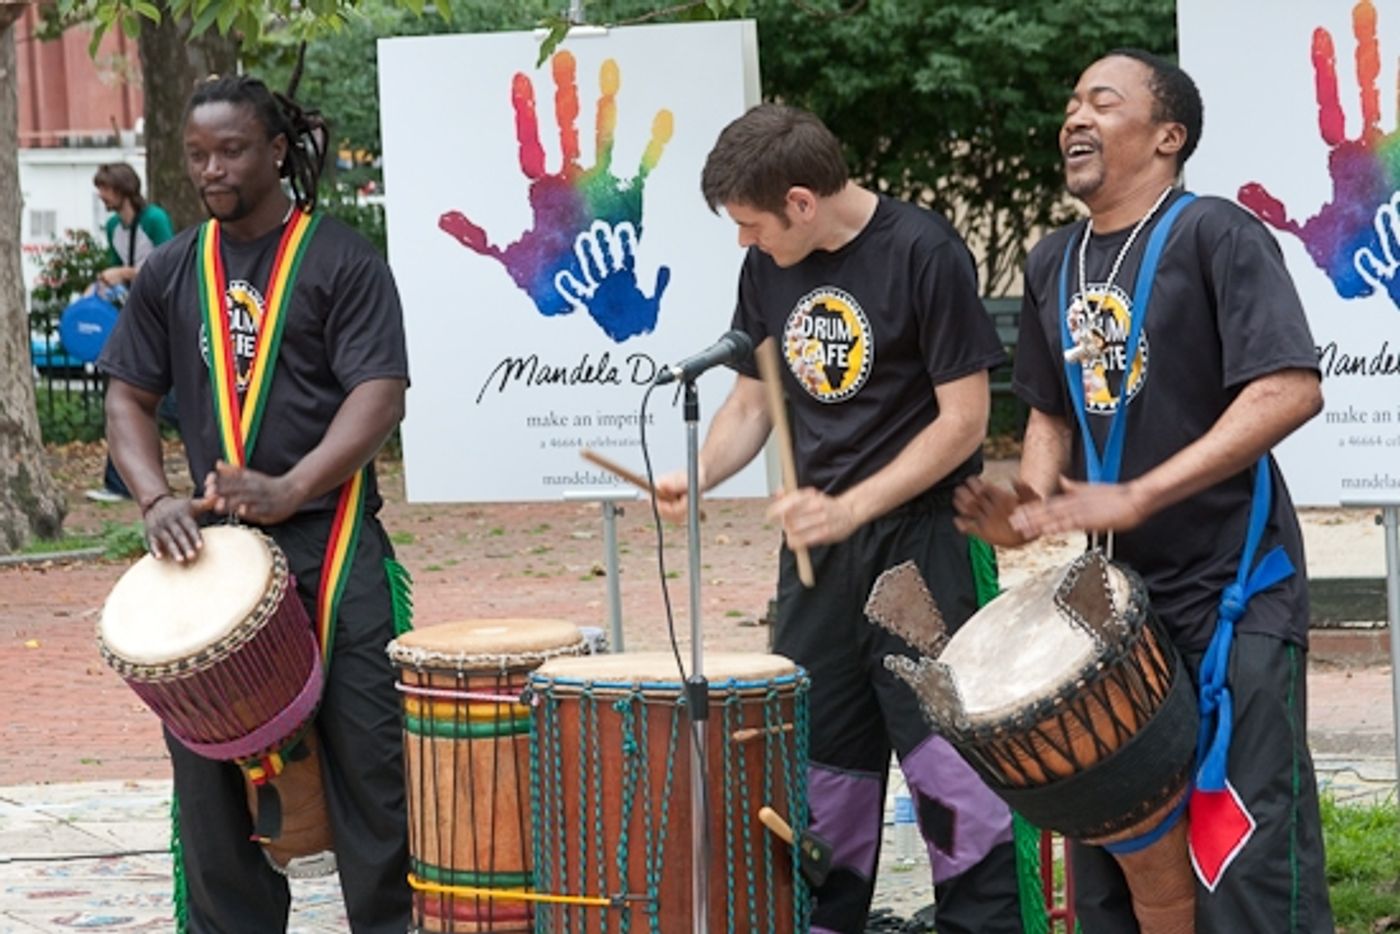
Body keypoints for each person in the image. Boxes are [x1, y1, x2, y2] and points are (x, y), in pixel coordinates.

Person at [953, 49, 1334, 932]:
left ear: (1169, 136)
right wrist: (1030, 504)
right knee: (1114, 835)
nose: (1074, 117)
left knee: (1241, 838)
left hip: (1235, 584)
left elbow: (1289, 387)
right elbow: (1050, 411)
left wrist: (1140, 494)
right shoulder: (1054, 261)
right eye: (1071, 103)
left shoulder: (1216, 234)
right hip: (1115, 603)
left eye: (1101, 101)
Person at [655, 103, 1022, 934]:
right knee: (818, 774)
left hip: (925, 546)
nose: (745, 243)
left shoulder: (923, 252)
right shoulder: (770, 268)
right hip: (819, 556)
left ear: (800, 201)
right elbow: (753, 400)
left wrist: (851, 505)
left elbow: (963, 420)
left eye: (751, 224)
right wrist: (700, 476)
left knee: (950, 772)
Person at [98, 75, 411, 932]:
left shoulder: (341, 260)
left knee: (373, 782)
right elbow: (127, 395)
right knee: (211, 798)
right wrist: (154, 495)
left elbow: (379, 394)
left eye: (230, 150)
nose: (210, 169)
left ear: (275, 150)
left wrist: (294, 486)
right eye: (197, 154)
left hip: (333, 547)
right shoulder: (171, 269)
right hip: (215, 562)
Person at [85, 163, 175, 503]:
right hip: (137, 316)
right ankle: (119, 483)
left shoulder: (154, 220)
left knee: (172, 404)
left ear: (122, 189)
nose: (101, 196)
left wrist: (124, 273)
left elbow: (170, 265)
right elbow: (115, 271)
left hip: (165, 317)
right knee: (122, 393)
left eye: (105, 189)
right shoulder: (113, 226)